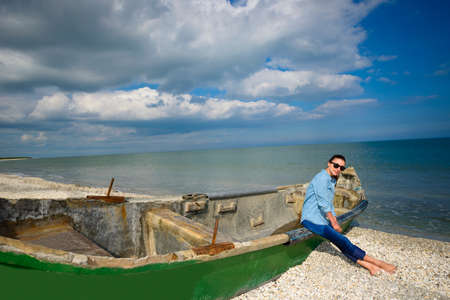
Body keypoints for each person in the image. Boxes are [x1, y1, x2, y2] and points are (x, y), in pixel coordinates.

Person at [301, 154, 396, 275]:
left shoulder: (330, 180)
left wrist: (333, 218)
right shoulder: (321, 179)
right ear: (329, 164)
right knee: (343, 240)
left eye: (342, 168)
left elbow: (329, 204)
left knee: (341, 242)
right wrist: (334, 223)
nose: (338, 169)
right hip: (311, 220)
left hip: (321, 220)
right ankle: (379, 263)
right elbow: (323, 204)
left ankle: (368, 266)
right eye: (336, 165)